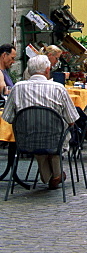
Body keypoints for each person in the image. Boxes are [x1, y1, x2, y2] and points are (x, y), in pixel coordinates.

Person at [3, 54, 78, 189]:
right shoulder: (58, 88)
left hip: (27, 139)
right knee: (54, 134)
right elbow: (72, 120)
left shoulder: (17, 88)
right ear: (47, 70)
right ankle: (56, 175)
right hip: (55, 140)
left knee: (38, 135)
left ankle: (49, 177)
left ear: (29, 70)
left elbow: (8, 118)